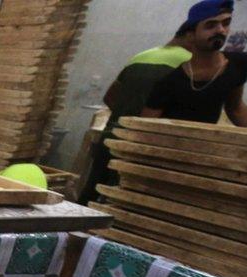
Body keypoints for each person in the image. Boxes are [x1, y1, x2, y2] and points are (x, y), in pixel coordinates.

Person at [78, 33, 193, 203]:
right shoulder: (191, 63)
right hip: (143, 145)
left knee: (91, 193)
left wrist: (125, 114)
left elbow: (109, 97)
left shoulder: (142, 56)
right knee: (119, 201)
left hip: (112, 135)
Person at [143, 0, 247, 126]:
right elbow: (146, 127)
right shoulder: (170, 82)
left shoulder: (239, 63)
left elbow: (235, 108)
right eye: (210, 25)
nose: (221, 30)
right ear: (190, 35)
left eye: (226, 23)